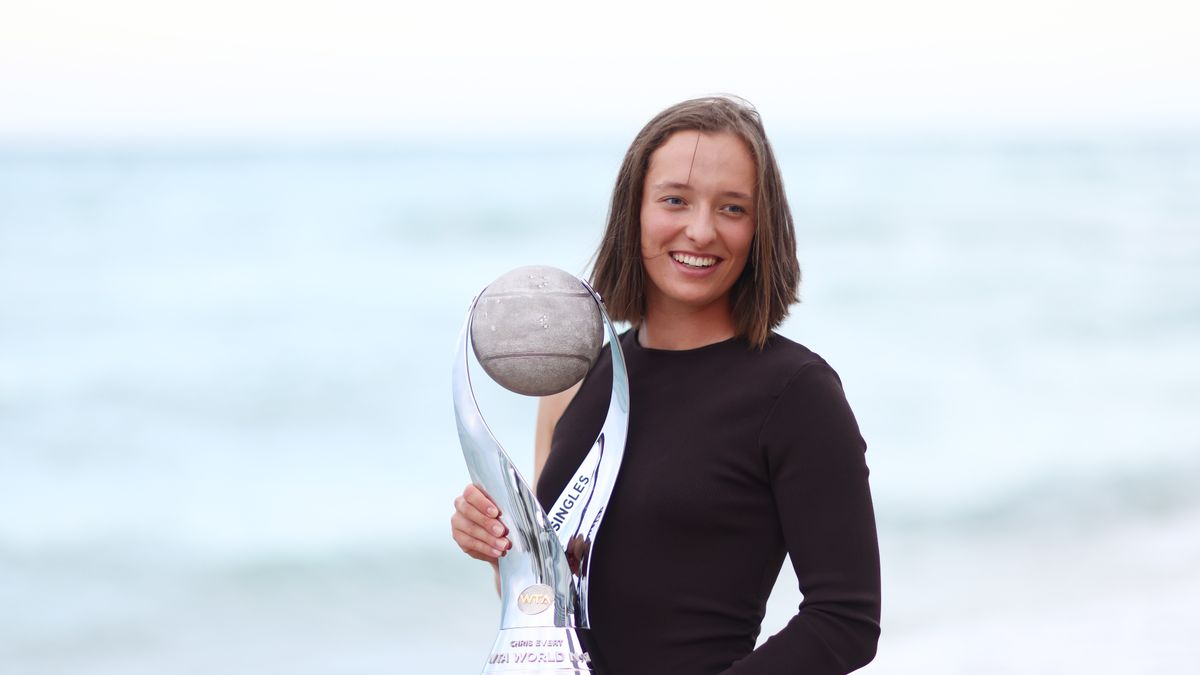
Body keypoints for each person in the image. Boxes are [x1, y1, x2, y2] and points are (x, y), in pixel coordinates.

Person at [450, 96, 880, 674]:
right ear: (636, 211)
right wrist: (502, 547)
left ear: (761, 229)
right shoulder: (578, 380)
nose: (700, 230)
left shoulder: (796, 393)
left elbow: (845, 620)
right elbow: (557, 605)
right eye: (675, 200)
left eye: (732, 208)